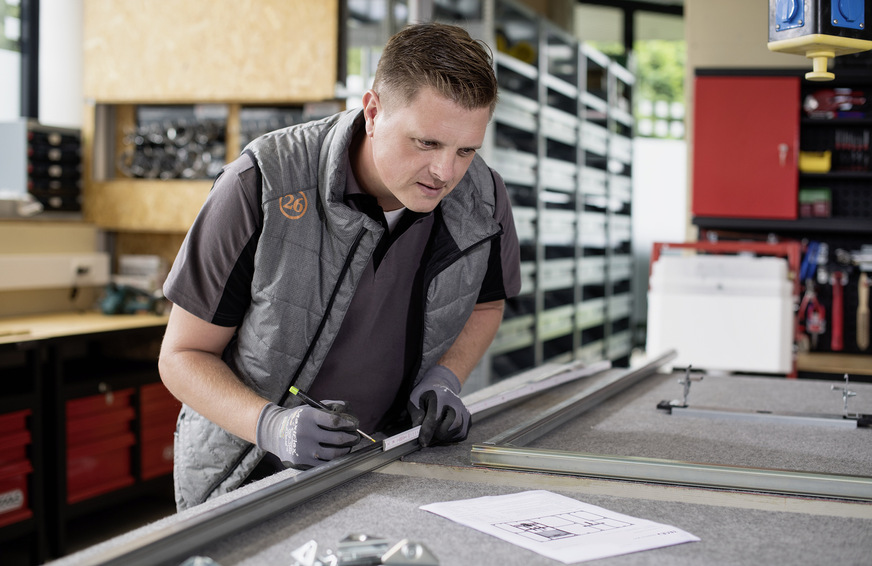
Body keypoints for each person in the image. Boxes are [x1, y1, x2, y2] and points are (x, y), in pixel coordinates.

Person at [158, 22, 521, 510]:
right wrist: (272, 426)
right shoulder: (262, 183)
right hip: (248, 477)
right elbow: (181, 357)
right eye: (426, 143)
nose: (446, 173)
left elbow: (486, 305)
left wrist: (445, 378)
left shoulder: (483, 196)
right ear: (373, 112)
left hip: (385, 466)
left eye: (466, 149)